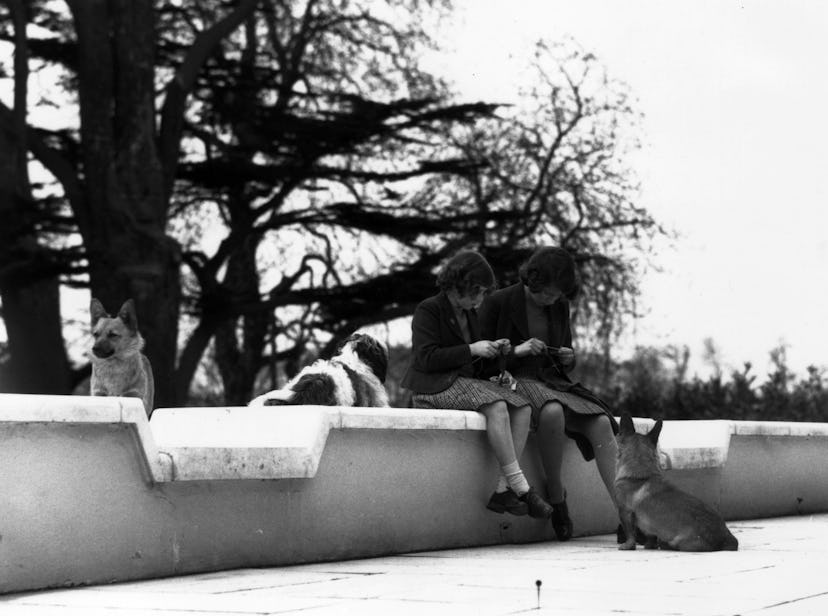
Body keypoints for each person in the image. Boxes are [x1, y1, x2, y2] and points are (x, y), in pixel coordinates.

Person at [479, 246, 620, 542]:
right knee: (553, 411)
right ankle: (556, 496)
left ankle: (627, 513)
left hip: (552, 382)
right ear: (534, 280)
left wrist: (568, 357)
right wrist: (517, 351)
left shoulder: (559, 305)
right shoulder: (498, 302)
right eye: (547, 294)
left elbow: (561, 361)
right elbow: (479, 362)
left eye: (557, 296)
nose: (552, 300)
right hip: (513, 380)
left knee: (602, 422)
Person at [401, 250, 555, 519]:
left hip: (462, 384)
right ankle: (520, 487)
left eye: (483, 293)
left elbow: (475, 366)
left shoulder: (470, 315)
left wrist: (499, 355)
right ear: (460, 286)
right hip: (432, 388)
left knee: (523, 407)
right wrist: (471, 348)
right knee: (496, 406)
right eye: (478, 292)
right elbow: (425, 359)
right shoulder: (429, 309)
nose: (481, 299)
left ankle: (502, 491)